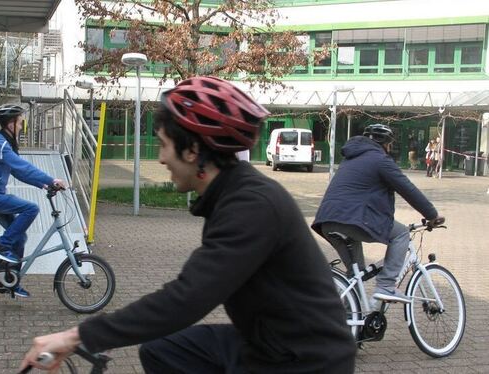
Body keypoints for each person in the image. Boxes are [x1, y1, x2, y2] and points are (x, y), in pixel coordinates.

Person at [20, 77, 356, 373]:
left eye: (165, 145)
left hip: (309, 361)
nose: (161, 158)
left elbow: (187, 299)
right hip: (269, 343)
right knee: (165, 351)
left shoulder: (252, 206)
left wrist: (77, 336)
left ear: (193, 149)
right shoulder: (233, 194)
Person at [312, 124, 443, 306]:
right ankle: (386, 285)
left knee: (355, 275)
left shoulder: (349, 159)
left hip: (327, 221)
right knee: (401, 233)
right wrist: (432, 215)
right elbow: (408, 189)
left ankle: (352, 325)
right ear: (387, 144)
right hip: (353, 220)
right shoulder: (381, 160)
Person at [0, 104, 66, 298]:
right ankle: (2, 246)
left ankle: (9, 280)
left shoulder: (1, 142)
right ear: (11, 124)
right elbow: (22, 167)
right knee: (30, 208)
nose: (22, 127)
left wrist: (44, 185)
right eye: (20, 123)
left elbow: (17, 171)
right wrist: (51, 179)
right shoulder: (0, 144)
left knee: (20, 237)